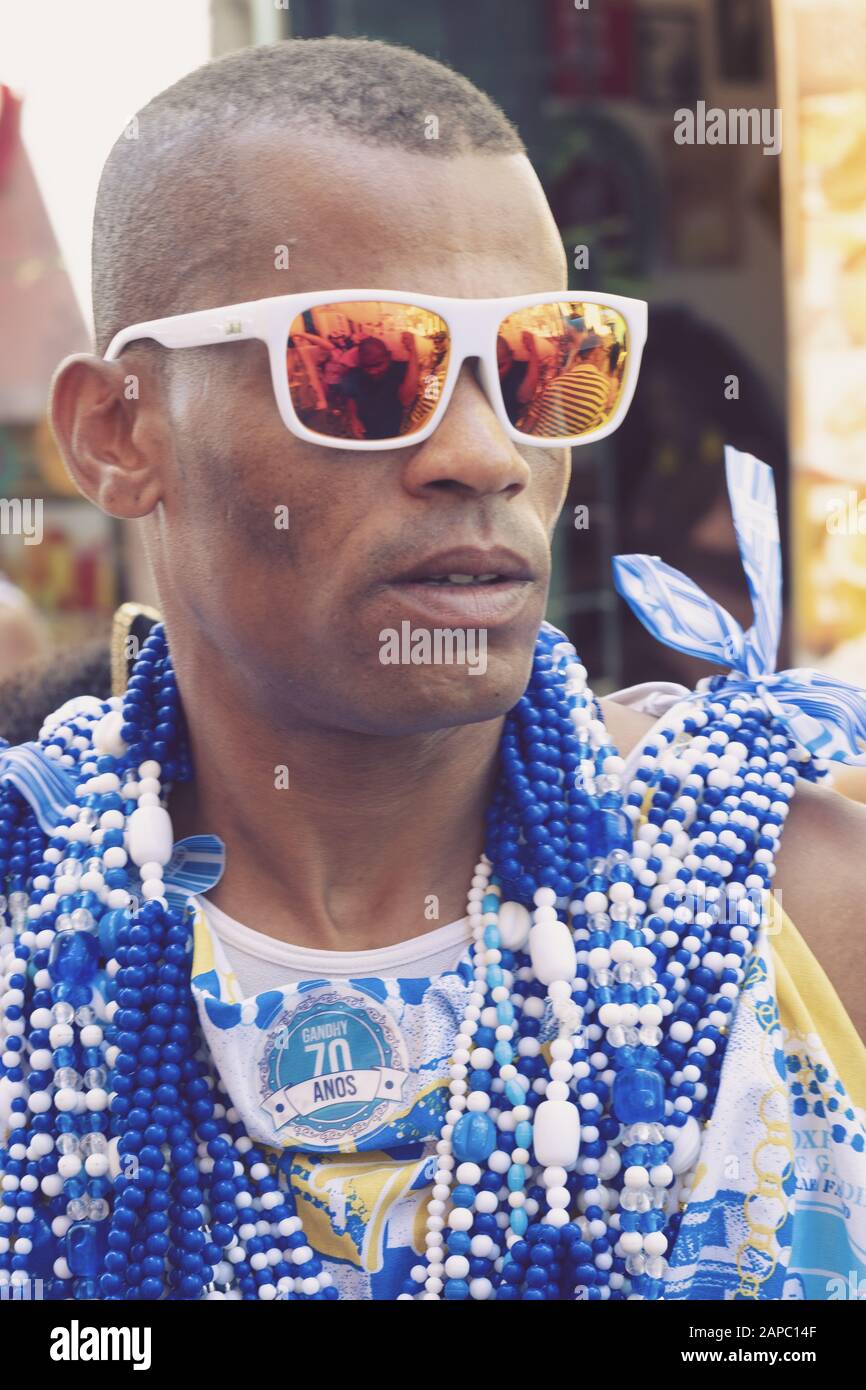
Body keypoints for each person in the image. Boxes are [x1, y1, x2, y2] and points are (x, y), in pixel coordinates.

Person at [1, 37, 864, 1305]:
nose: (484, 451)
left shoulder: (801, 903)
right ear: (120, 434)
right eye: (360, 367)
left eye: (540, 363)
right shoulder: (30, 902)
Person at [344, 332, 420, 439]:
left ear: (388, 357)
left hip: (392, 430)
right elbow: (351, 398)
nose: (372, 371)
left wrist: (412, 350)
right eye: (367, 366)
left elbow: (407, 399)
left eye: (378, 364)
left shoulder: (399, 369)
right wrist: (354, 419)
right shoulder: (354, 374)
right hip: (365, 431)